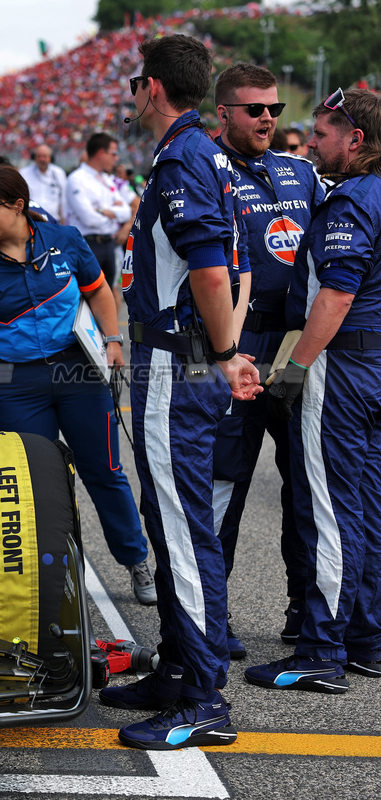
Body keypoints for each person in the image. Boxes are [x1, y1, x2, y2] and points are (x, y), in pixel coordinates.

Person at [98, 34, 262, 751]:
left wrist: (224, 352)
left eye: (136, 82)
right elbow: (238, 263)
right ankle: (177, 668)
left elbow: (212, 271)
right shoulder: (201, 153)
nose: (131, 94)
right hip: (179, 358)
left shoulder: (185, 158)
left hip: (176, 363)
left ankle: (201, 694)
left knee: (186, 533)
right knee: (174, 526)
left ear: (154, 88)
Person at [0, 166, 154, 601]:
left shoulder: (66, 240)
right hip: (17, 383)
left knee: (105, 471)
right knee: (36, 482)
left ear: (18, 205)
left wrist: (113, 341)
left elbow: (99, 290)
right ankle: (52, 574)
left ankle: (137, 561)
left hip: (79, 373)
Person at [249, 87, 381, 691]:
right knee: (370, 510)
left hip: (345, 367)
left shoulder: (352, 198)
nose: (312, 142)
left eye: (324, 132)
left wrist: (297, 367)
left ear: (356, 139)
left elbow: (336, 294)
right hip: (374, 365)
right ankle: (366, 638)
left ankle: (320, 651)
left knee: (329, 512)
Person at [208, 63, 323, 659]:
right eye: (256, 109)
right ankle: (212, 616)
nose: (268, 119)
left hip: (300, 350)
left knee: (308, 488)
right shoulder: (204, 169)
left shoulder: (302, 172)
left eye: (275, 109)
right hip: (235, 350)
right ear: (224, 111)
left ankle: (307, 612)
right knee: (224, 484)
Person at [66, 133, 131, 289]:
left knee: (108, 294)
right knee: (89, 299)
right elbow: (90, 219)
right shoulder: (77, 179)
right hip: (88, 245)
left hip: (109, 244)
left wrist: (103, 211)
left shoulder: (106, 179)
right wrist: (113, 213)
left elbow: (127, 212)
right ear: (101, 153)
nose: (116, 159)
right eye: (113, 154)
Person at [19, 144, 67, 222]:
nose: (42, 159)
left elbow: (63, 198)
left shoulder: (59, 173)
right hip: (32, 220)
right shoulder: (24, 173)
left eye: (44, 156)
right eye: (39, 156)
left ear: (50, 158)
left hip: (54, 220)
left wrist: (63, 218)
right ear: (34, 157)